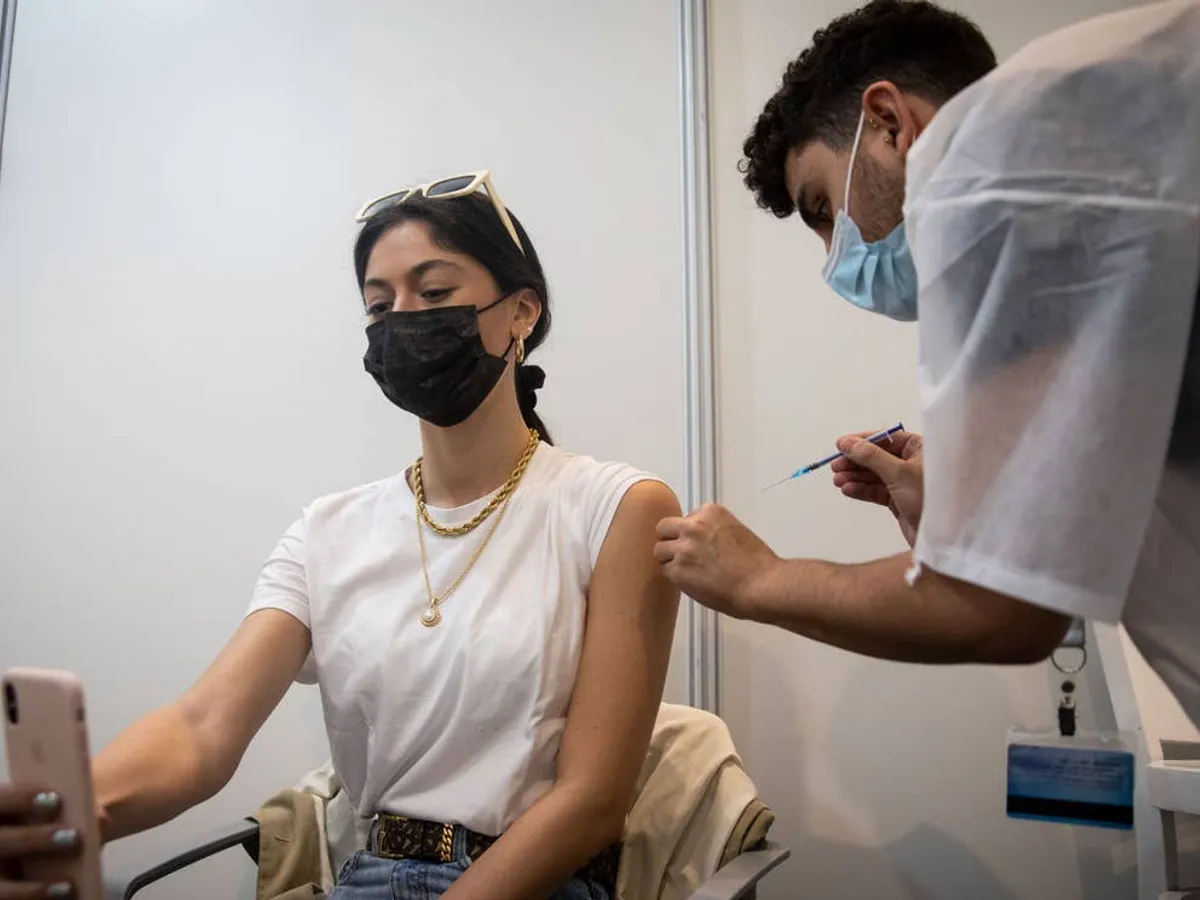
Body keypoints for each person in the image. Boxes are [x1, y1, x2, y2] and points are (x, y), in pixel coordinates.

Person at [1, 173, 681, 899]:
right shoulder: (328, 532)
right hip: (369, 877)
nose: (403, 320)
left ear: (521, 311)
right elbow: (203, 727)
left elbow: (591, 802)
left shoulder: (617, 509)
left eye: (435, 292)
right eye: (380, 306)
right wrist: (80, 814)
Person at [655, 0, 1200, 726]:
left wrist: (756, 579)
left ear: (889, 121)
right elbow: (1054, 552)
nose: (834, 257)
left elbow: (1002, 610)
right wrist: (964, 514)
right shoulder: (1085, 150)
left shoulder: (985, 168)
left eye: (824, 208)